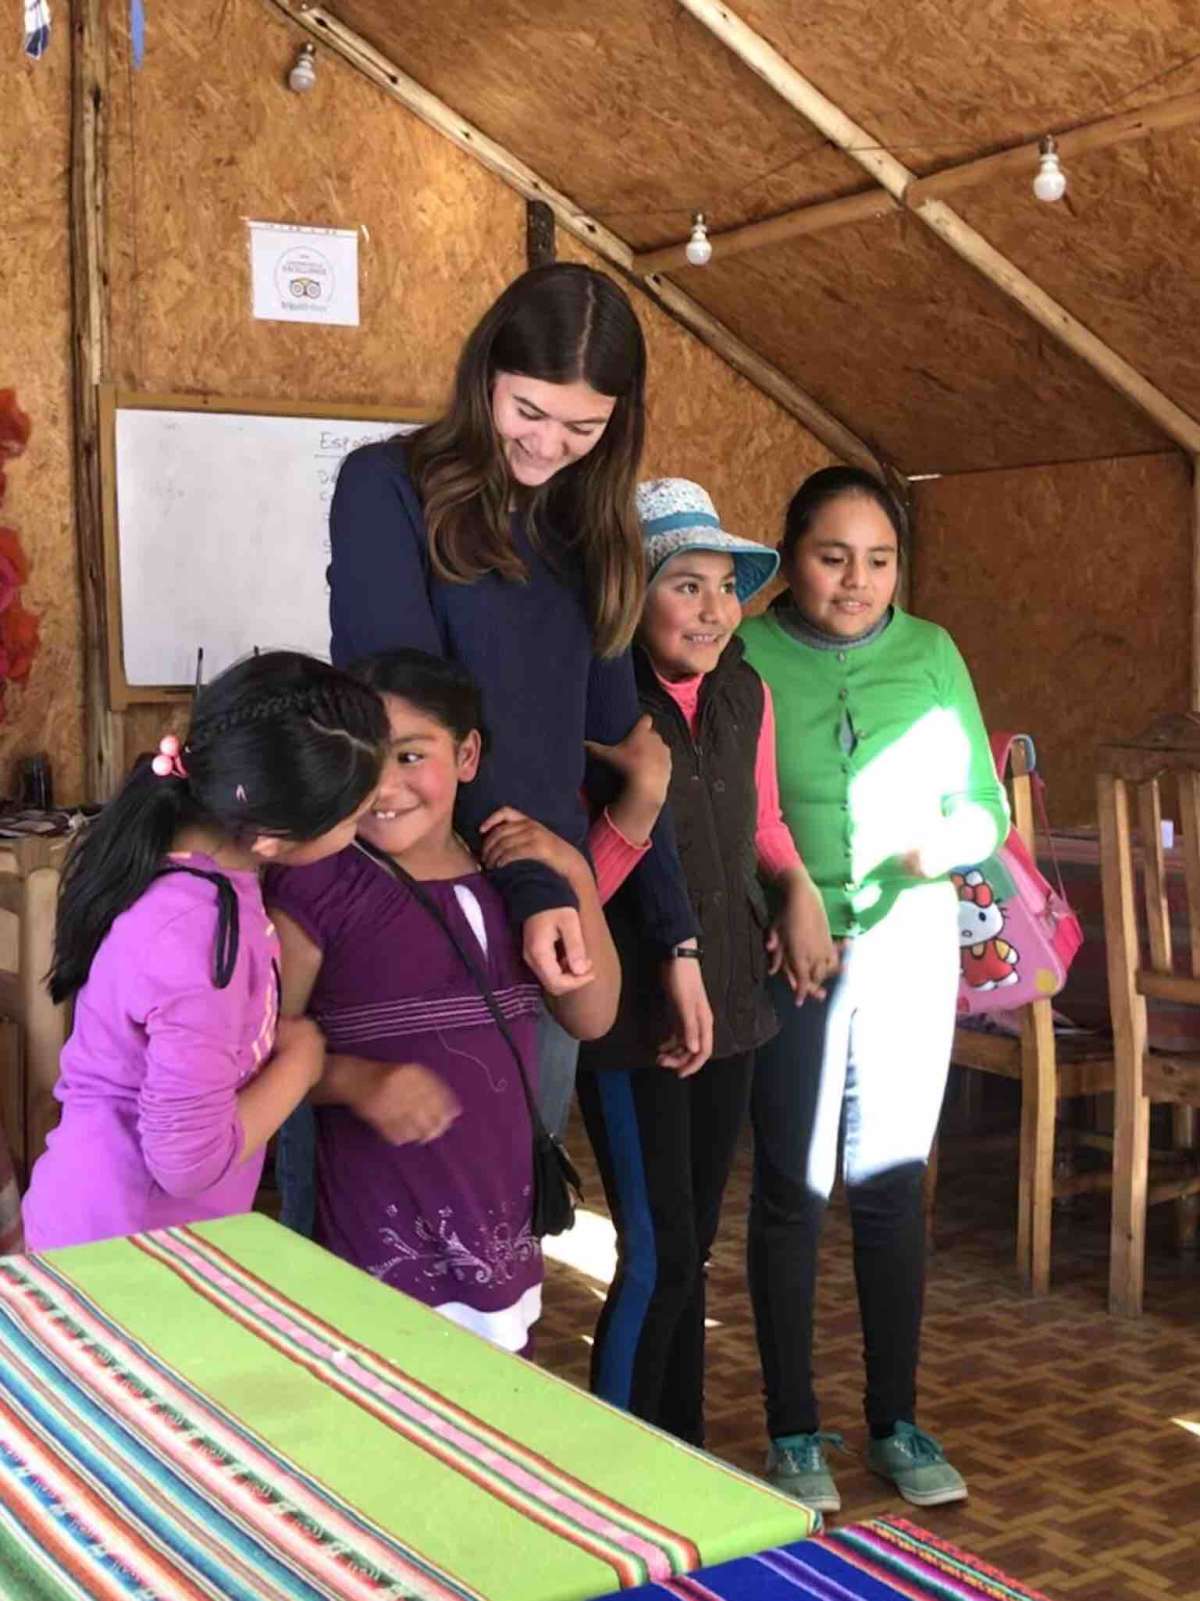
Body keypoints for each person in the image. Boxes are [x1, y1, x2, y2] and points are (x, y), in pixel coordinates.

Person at [324, 262, 710, 1147]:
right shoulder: (387, 487)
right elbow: (409, 734)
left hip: (547, 922)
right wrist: (540, 882)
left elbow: (628, 756)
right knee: (383, 1243)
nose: (546, 446)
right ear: (485, 375)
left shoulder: (597, 535)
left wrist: (677, 941)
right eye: (528, 412)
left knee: (507, 1227)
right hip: (413, 906)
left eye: (583, 427)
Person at [740, 466, 1009, 1512]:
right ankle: (792, 1427)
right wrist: (786, 895)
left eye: (880, 559)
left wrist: (945, 842)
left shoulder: (932, 651)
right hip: (791, 952)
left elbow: (984, 805)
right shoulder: (747, 653)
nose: (857, 581)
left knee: (894, 1187)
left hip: (907, 949)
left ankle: (896, 1417)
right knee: (790, 1194)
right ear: (792, 555)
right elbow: (729, 809)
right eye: (832, 555)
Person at [576, 479, 835, 1447]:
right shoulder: (604, 705)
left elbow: (761, 822)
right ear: (632, 598)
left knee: (694, 1251)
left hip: (734, 1000)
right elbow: (584, 883)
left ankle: (674, 1451)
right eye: (686, 584)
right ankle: (607, 1469)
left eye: (727, 585)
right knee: (656, 1254)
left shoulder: (743, 688)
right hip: (636, 1020)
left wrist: (799, 887)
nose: (717, 607)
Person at [268, 650, 621, 1353]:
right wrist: (358, 1080)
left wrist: (573, 871)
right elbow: (256, 1047)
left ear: (466, 755)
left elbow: (592, 1014)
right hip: (373, 1247)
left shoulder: (513, 882)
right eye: (360, 758)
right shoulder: (316, 888)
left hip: (499, 1247)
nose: (383, 785)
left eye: (409, 755)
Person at [21, 651, 386, 1251]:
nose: (364, 828)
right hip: (121, 1254)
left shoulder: (199, 872)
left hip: (136, 1235)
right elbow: (187, 1162)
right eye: (354, 817)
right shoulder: (195, 937)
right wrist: (302, 1061)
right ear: (271, 838)